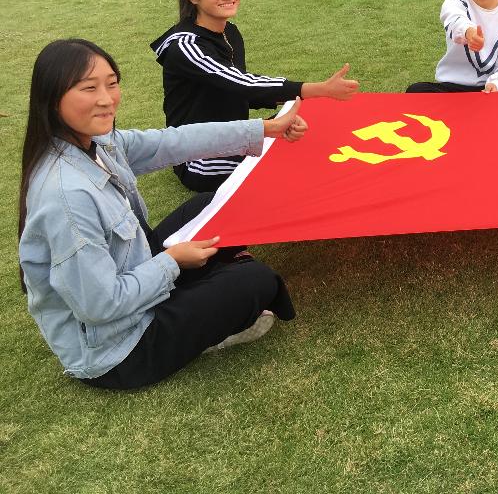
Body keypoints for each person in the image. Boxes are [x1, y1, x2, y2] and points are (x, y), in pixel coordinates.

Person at [18, 39, 305, 389]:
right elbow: (100, 305)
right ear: (52, 98)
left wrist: (264, 128)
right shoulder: (67, 195)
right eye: (89, 88)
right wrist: (172, 262)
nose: (106, 99)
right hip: (119, 349)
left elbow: (173, 142)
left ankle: (205, 291)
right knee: (256, 280)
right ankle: (206, 321)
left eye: (111, 83)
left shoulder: (98, 143)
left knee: (216, 204)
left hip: (133, 276)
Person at [151, 0, 360, 192]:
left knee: (312, 135)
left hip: (233, 136)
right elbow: (244, 84)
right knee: (301, 171)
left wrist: (278, 121)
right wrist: (319, 89)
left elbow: (237, 92)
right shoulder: (185, 46)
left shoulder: (229, 31)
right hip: (199, 159)